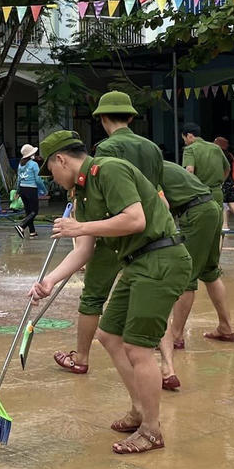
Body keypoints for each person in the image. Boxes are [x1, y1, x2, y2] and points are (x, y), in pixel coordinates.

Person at [30, 131, 190, 455]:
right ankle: (139, 409)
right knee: (109, 335)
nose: (53, 179)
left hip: (161, 259)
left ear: (61, 159)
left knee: (138, 347)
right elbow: (84, 249)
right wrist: (50, 280)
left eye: (51, 170)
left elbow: (135, 219)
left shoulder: (109, 170)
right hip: (137, 263)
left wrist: (79, 227)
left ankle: (152, 430)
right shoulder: (84, 192)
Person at [52, 91, 163, 375]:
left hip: (116, 231)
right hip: (155, 236)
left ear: (102, 119)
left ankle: (82, 357)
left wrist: (81, 225)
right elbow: (158, 193)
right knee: (150, 304)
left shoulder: (105, 153)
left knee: (93, 296)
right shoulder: (152, 148)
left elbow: (100, 192)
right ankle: (167, 366)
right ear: (131, 117)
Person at [156, 160, 234, 390]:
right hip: (211, 207)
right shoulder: (164, 164)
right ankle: (226, 327)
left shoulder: (147, 170)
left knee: (186, 276)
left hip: (195, 213)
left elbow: (163, 204)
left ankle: (176, 335)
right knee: (210, 271)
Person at [181, 124, 230, 201]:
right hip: (217, 193)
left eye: (184, 139)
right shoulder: (216, 147)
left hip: (201, 194)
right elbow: (227, 168)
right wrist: (221, 183)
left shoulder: (190, 149)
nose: (185, 142)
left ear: (189, 135)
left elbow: (189, 171)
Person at [15, 144, 41, 239]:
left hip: (22, 189)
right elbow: (38, 179)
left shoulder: (20, 164)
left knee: (28, 211)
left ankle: (32, 232)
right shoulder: (34, 164)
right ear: (31, 154)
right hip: (31, 189)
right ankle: (21, 226)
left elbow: (19, 179)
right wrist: (44, 189)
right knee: (34, 211)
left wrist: (18, 191)